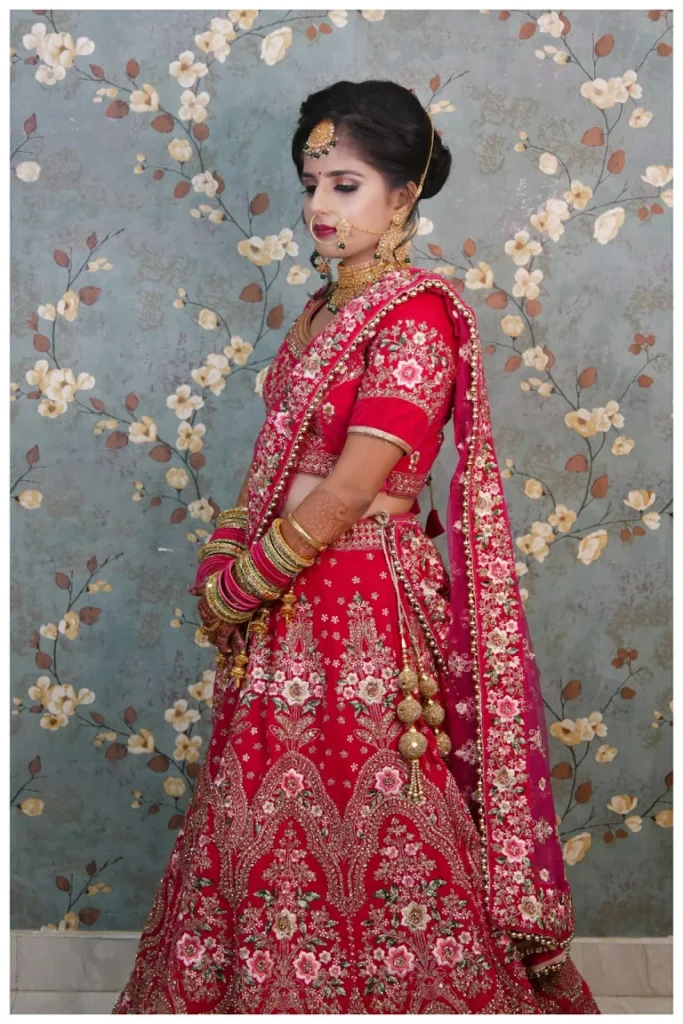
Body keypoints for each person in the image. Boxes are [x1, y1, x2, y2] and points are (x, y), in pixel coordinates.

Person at [113, 80, 600, 1014]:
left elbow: (348, 487)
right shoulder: (322, 311)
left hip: (359, 598)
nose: (319, 207)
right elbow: (279, 461)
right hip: (286, 597)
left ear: (403, 195)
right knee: (255, 803)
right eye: (311, 185)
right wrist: (231, 554)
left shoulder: (413, 314)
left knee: (376, 796)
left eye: (344, 185)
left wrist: (247, 578)